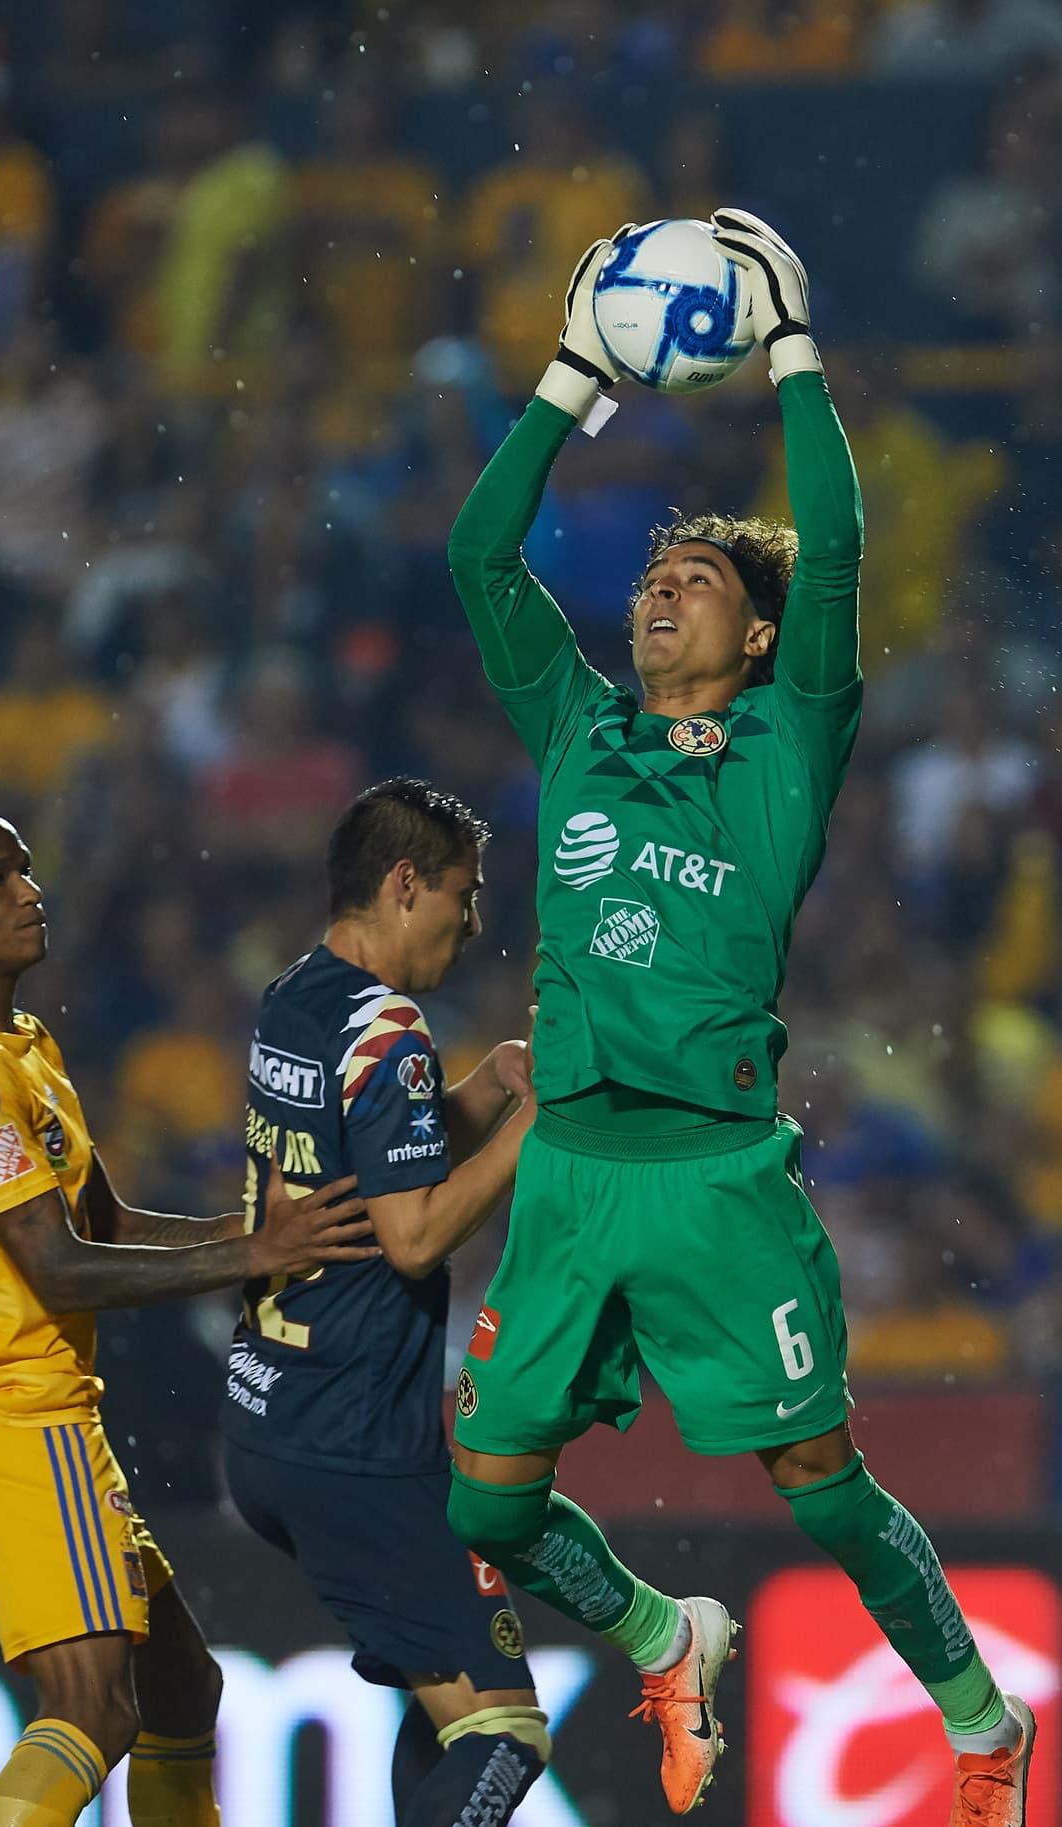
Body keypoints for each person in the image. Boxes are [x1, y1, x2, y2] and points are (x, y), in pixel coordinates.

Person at [442, 211, 1035, 1825]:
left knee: (823, 1485)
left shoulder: (788, 750)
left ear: (756, 640)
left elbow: (831, 549)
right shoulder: (575, 730)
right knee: (485, 1505)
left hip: (717, 1184)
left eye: (694, 581)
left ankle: (984, 1724)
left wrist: (792, 355)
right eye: (650, 575)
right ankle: (661, 1629)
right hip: (567, 1171)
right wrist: (569, 379)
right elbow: (477, 560)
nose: (659, 592)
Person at [0, 804, 376, 1827]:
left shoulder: (14, 1044)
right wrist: (254, 1253)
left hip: (33, 1404)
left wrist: (253, 1243)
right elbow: (57, 1268)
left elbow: (101, 1221)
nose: (28, 890)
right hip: (8, 1407)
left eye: (25, 870)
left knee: (182, 1689)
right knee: (92, 1707)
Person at [220, 778, 551, 1827]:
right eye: (465, 891)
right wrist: (529, 1128)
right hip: (354, 1440)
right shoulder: (388, 1029)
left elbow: (370, 1179)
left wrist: (483, 1090)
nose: (473, 919)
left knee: (444, 1705)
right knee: (503, 1732)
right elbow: (410, 1240)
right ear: (405, 885)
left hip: (269, 1416)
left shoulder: (297, 997)